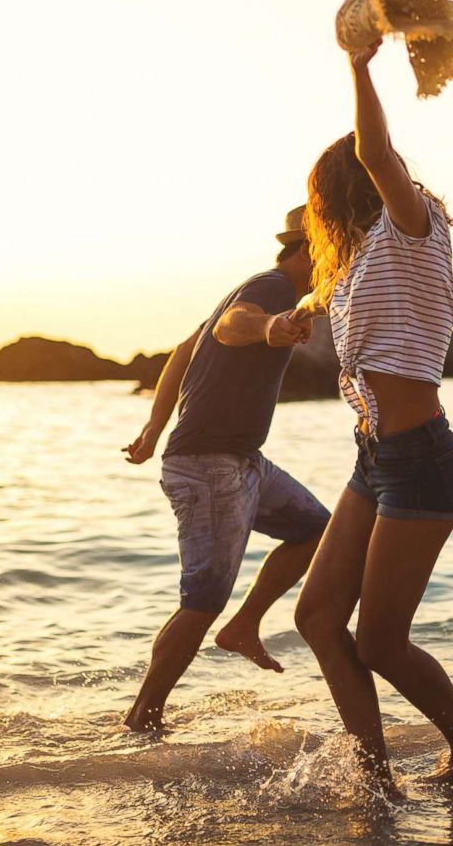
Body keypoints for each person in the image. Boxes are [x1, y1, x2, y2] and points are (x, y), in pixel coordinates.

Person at [291, 37, 453, 791]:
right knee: (317, 618)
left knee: (380, 639)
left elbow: (377, 153)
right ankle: (373, 775)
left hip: (423, 459)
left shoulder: (414, 226)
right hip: (374, 459)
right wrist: (292, 318)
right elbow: (335, 306)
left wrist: (357, 64)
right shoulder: (360, 259)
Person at [120, 207, 328, 732]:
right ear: (309, 249)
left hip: (241, 459)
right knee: (202, 598)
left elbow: (183, 353)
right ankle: (143, 718)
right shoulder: (273, 287)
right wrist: (272, 325)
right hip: (210, 464)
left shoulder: (257, 289)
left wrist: (152, 427)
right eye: (337, 247)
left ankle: (245, 625)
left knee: (316, 530)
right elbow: (237, 329)